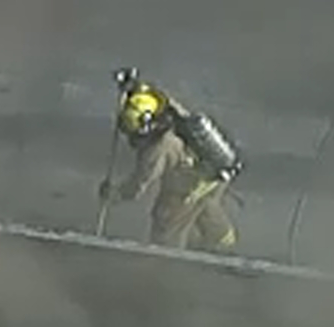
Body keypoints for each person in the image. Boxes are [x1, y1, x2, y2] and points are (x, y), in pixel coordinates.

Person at [98, 82, 239, 251]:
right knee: (204, 202)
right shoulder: (170, 110)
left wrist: (114, 193)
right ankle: (222, 240)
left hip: (191, 183)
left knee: (167, 221)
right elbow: (150, 92)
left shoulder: (157, 149)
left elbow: (139, 185)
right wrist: (131, 86)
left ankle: (167, 263)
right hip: (217, 172)